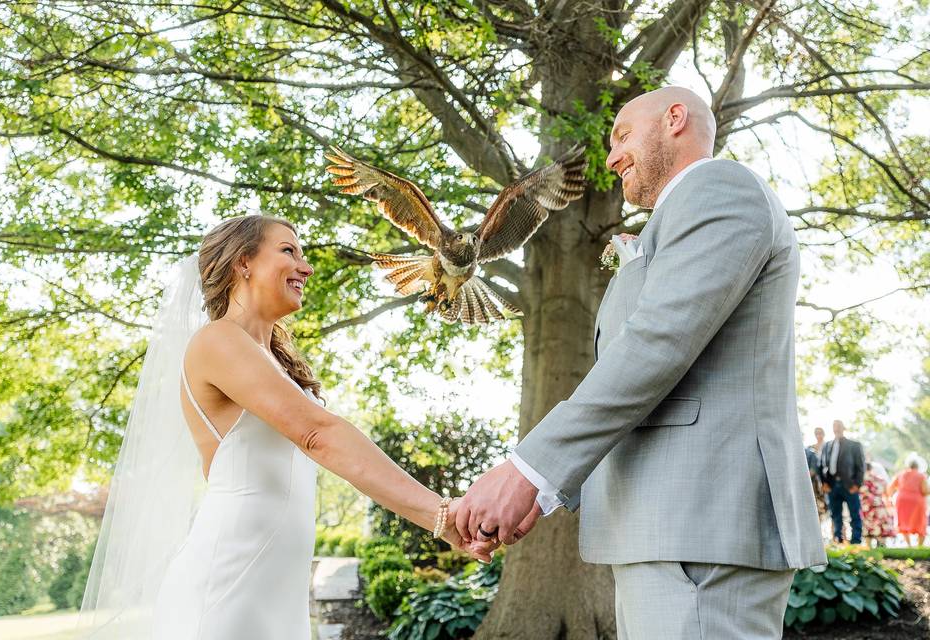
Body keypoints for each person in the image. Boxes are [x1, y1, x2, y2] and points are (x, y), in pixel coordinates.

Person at [455, 86, 826, 639]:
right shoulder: (677, 219)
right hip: (665, 530)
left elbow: (657, 345)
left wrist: (530, 470)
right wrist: (553, 488)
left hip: (701, 526)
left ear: (675, 118)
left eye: (622, 134)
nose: (610, 158)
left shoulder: (721, 190)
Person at [77, 216, 495, 639]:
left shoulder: (275, 363)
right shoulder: (216, 341)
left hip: (278, 593)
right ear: (243, 263)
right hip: (225, 590)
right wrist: (440, 515)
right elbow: (319, 434)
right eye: (288, 251)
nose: (306, 267)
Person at [819, 419, 866, 544]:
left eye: (839, 426)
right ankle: (838, 539)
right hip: (832, 485)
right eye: (834, 426)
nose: (837, 428)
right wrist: (825, 483)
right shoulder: (827, 446)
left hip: (850, 485)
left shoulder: (854, 445)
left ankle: (856, 540)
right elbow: (822, 465)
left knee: (854, 514)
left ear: (843, 428)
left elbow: (861, 466)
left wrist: (857, 484)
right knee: (835, 514)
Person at [888, 453, 929, 547]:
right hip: (916, 500)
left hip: (902, 500)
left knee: (903, 521)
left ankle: (909, 545)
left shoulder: (900, 474)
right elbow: (925, 491)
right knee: (920, 521)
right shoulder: (921, 476)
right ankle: (919, 546)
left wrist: (890, 499)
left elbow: (890, 488)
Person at [860, 461, 895, 547]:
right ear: (871, 469)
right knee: (880, 526)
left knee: (867, 527)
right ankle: (882, 546)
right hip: (879, 506)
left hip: (866, 506)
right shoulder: (880, 479)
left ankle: (868, 548)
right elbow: (887, 493)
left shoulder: (860, 480)